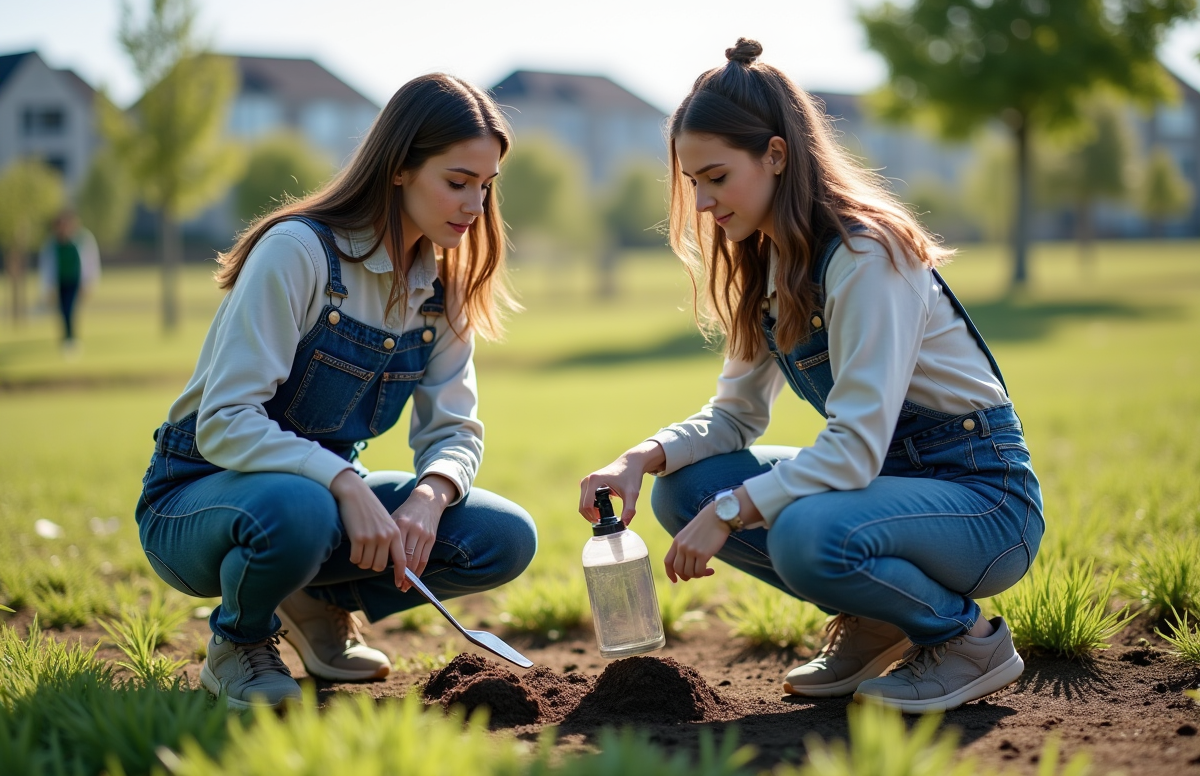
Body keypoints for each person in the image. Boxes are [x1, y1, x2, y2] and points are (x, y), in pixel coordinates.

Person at [579, 39, 1043, 714]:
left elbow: (854, 449)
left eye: (716, 176)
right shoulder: (768, 264)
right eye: (692, 184)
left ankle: (965, 640)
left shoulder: (865, 253)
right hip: (890, 491)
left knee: (803, 535)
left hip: (984, 500)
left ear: (775, 154)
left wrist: (734, 510)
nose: (704, 203)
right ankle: (881, 619)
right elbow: (736, 417)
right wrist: (637, 459)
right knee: (683, 489)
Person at [136, 74, 537, 709]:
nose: (475, 205)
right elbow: (224, 420)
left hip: (319, 507)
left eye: (485, 187)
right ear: (399, 168)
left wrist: (431, 496)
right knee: (303, 509)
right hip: (195, 500)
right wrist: (343, 482)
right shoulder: (297, 252)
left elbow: (455, 429)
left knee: (504, 535)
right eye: (457, 182)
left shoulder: (443, 286)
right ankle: (238, 641)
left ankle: (315, 598)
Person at [39, 209, 100, 351]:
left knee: (69, 309)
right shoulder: (52, 244)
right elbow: (47, 266)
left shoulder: (82, 239)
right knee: (63, 310)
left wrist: (90, 282)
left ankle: (70, 339)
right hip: (60, 282)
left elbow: (91, 262)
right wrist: (47, 287)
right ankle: (67, 338)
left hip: (75, 281)